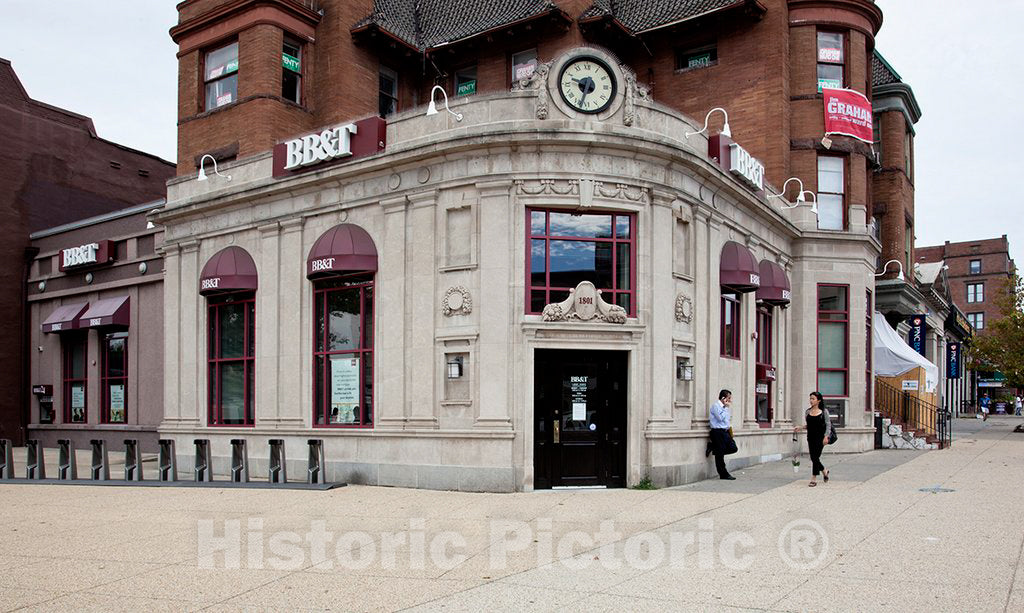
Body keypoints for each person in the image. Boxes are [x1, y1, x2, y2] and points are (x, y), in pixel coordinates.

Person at [793, 391, 834, 487]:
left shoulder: (824, 412)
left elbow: (828, 425)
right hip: (810, 437)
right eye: (810, 398)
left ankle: (813, 478)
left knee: (815, 457)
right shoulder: (808, 411)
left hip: (820, 438)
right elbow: (810, 425)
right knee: (813, 457)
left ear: (818, 400)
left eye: (813, 399)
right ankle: (824, 471)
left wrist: (826, 436)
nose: (811, 401)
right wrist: (801, 427)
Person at [706, 389, 736, 480]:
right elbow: (720, 418)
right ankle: (723, 474)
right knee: (720, 455)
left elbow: (727, 420)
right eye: (728, 398)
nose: (730, 400)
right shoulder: (716, 406)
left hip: (725, 432)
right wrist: (725, 408)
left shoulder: (725, 407)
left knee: (733, 448)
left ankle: (713, 446)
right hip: (717, 432)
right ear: (723, 398)